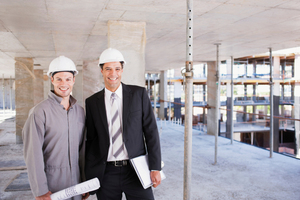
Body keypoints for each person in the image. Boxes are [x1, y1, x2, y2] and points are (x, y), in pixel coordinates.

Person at [85, 48, 162, 200]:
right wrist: (89, 175)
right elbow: (91, 142)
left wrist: (155, 167)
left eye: (117, 69)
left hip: (136, 170)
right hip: (106, 174)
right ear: (101, 71)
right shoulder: (92, 102)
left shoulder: (138, 94)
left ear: (122, 70)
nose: (113, 73)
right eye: (108, 69)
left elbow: (151, 131)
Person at [22, 56, 89, 200]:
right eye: (59, 79)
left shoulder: (80, 111)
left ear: (73, 80)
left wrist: (84, 182)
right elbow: (33, 154)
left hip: (76, 184)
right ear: (51, 80)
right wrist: (40, 190)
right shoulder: (39, 112)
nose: (63, 83)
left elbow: (83, 151)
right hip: (52, 187)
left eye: (68, 79)